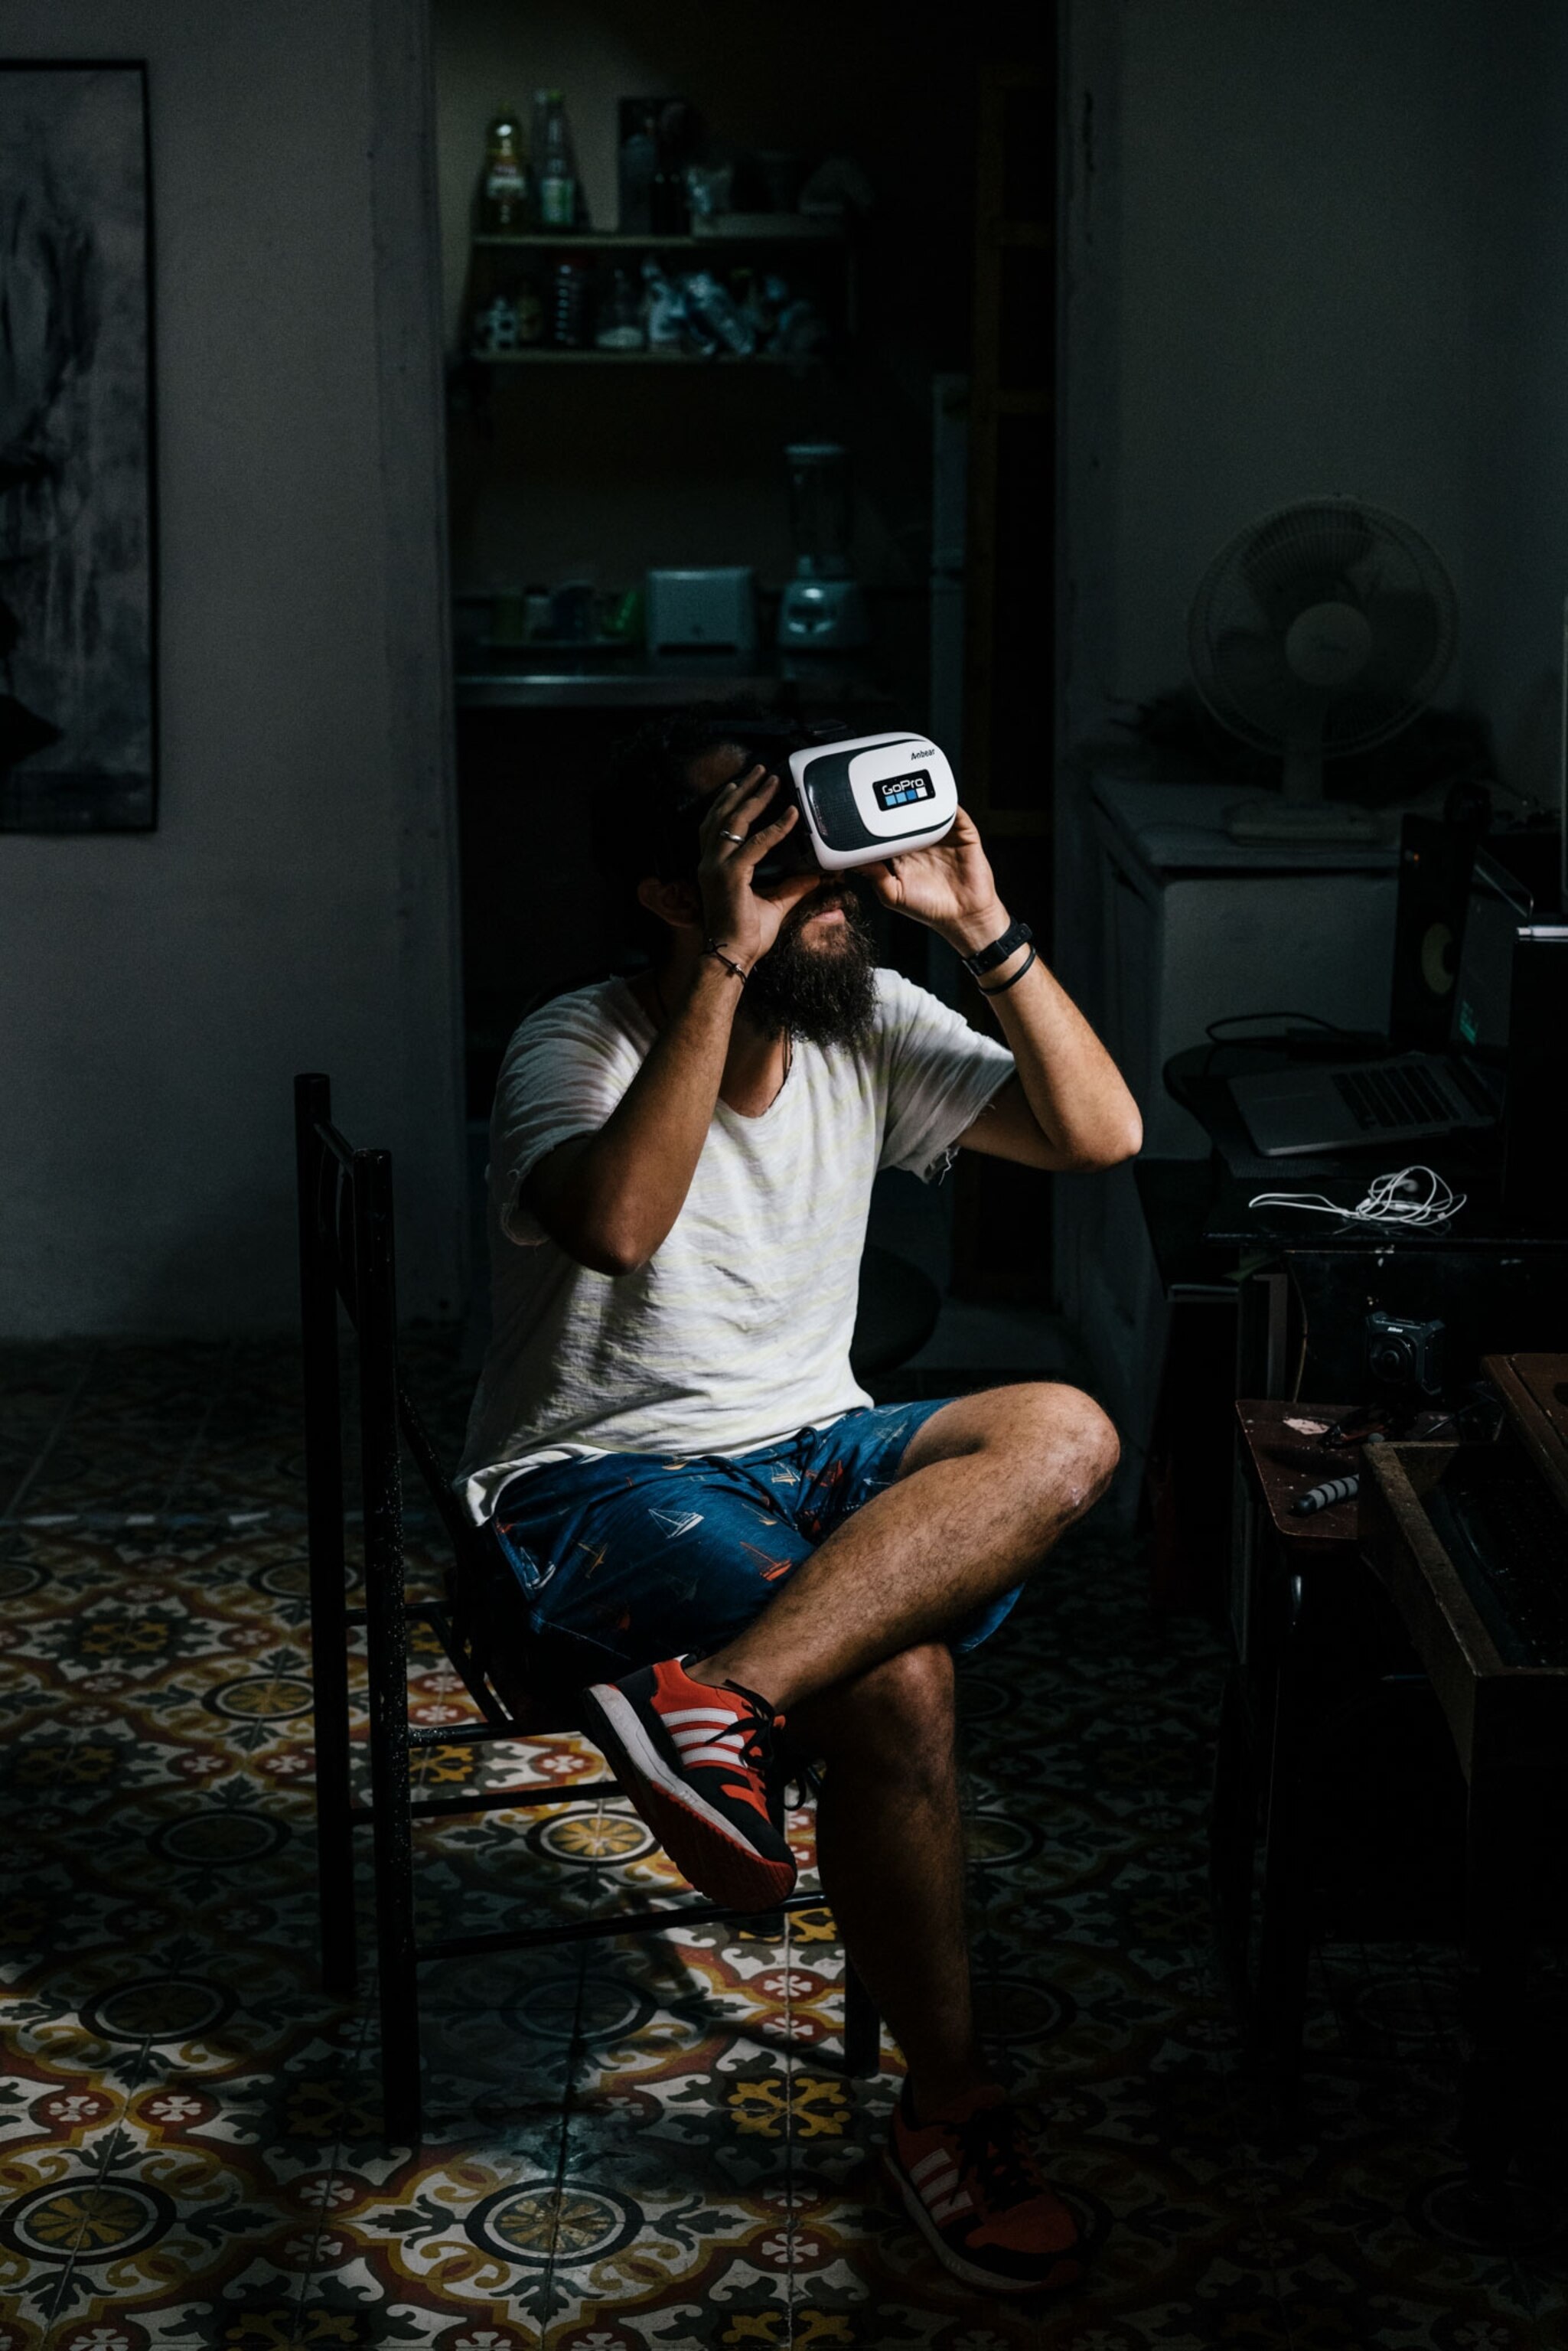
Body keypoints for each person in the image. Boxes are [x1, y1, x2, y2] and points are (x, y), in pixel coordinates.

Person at [457, 711, 1142, 2297]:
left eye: (814, 841)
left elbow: (1097, 1135)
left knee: (1061, 1426)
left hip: (806, 1447)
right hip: (592, 1479)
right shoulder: (576, 1042)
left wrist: (979, 923)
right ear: (669, 893)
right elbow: (621, 1229)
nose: (821, 878)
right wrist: (727, 956)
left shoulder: (869, 1020)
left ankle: (713, 1705)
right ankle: (948, 2114)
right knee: (898, 1679)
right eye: (765, 854)